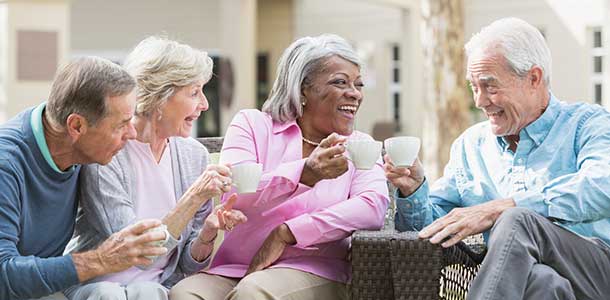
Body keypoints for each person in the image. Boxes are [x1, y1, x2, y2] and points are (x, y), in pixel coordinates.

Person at [385, 17, 610, 299]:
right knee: (542, 282)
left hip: (596, 272)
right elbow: (436, 227)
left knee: (515, 220)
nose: (479, 101)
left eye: (489, 86)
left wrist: (502, 209)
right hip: (528, 283)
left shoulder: (588, 123)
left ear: (533, 79)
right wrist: (413, 189)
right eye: (474, 87)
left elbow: (602, 186)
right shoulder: (471, 146)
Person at [170, 34, 390, 300]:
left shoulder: (359, 145)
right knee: (185, 293)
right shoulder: (252, 125)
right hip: (236, 267)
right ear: (302, 90)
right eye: (340, 82)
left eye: (358, 84)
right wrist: (304, 174)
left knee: (254, 293)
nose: (354, 93)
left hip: (315, 269)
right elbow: (236, 194)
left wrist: (288, 232)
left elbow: (372, 207)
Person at [63, 37, 247, 300]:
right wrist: (194, 196)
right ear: (160, 97)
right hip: (96, 281)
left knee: (149, 292)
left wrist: (207, 233)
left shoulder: (194, 156)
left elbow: (186, 265)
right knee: (109, 294)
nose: (205, 104)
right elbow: (138, 253)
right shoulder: (106, 153)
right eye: (194, 92)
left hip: (155, 284)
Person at [0, 57, 171, 300]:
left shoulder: (77, 149)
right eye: (121, 125)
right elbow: (3, 274)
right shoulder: (6, 164)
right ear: (77, 126)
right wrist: (101, 260)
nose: (131, 134)